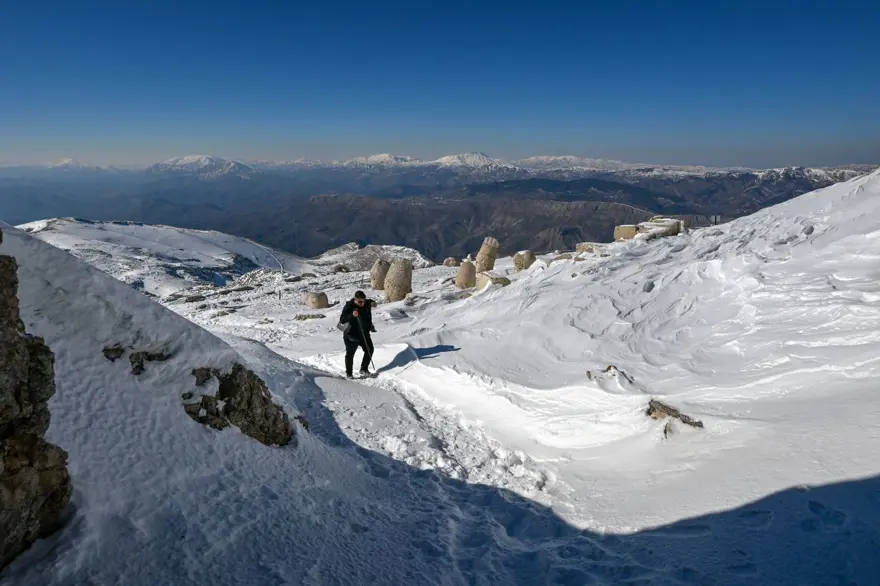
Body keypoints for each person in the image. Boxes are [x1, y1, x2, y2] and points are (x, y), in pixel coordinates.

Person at [339, 290, 377, 378]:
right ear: (355, 299)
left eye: (364, 301)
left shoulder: (366, 303)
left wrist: (373, 303)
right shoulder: (349, 306)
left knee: (369, 350)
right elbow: (342, 320)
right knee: (350, 354)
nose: (362, 303)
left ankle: (363, 369)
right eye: (360, 302)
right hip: (351, 335)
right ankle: (349, 374)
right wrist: (352, 315)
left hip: (364, 334)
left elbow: (370, 301)